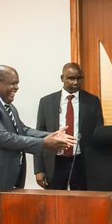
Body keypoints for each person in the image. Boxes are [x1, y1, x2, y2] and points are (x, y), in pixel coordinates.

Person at [0, 65, 74, 191]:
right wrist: (44, 143)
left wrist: (50, 135)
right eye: (13, 83)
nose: (17, 87)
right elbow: (4, 138)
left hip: (2, 177)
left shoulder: (6, 105)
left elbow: (22, 130)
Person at [34, 62, 104, 190]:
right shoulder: (46, 102)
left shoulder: (92, 101)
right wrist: (39, 169)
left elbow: (99, 134)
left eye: (79, 78)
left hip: (81, 163)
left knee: (81, 203)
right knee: (55, 205)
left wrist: (98, 167)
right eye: (71, 78)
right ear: (62, 78)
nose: (75, 82)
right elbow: (39, 136)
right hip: (55, 162)